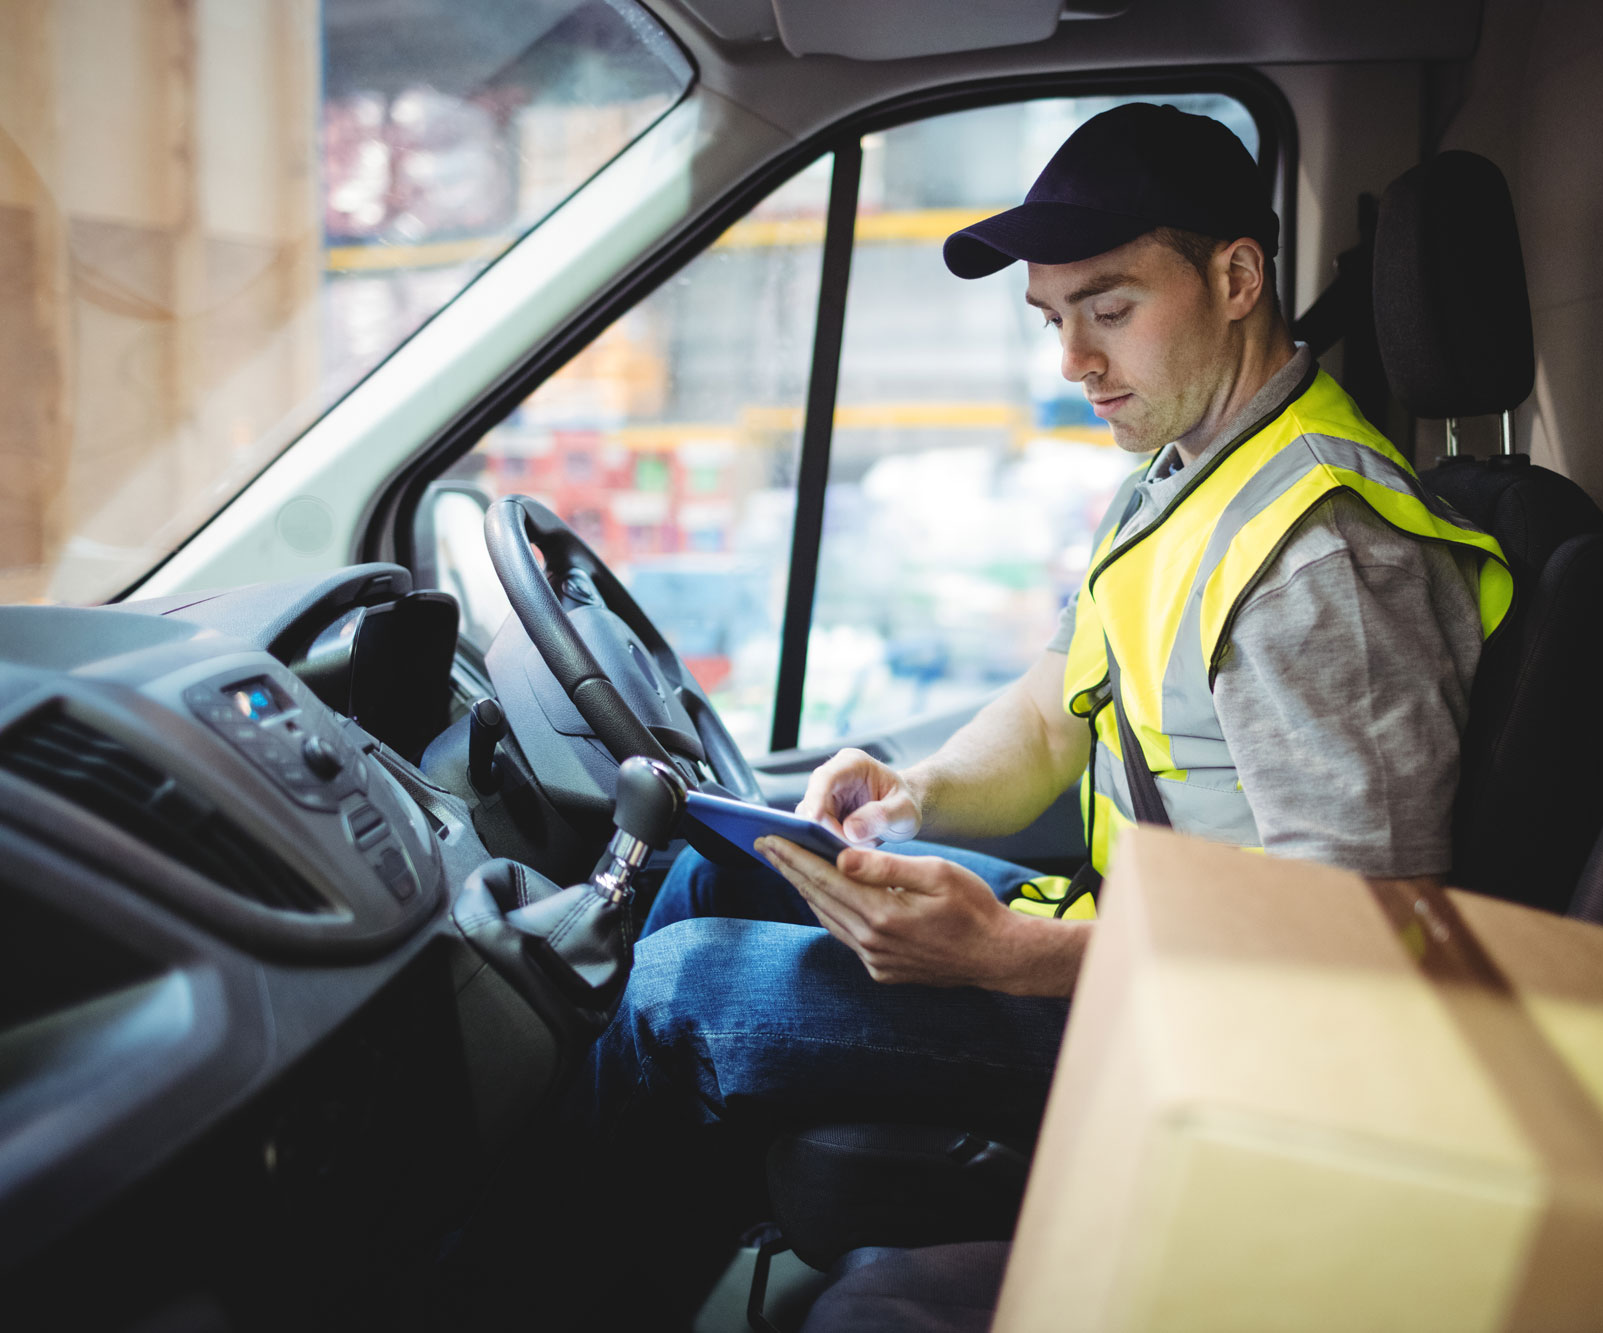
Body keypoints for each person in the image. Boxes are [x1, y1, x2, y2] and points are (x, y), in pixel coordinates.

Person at [584, 100, 1510, 1190]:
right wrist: (911, 793)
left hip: (1229, 1048)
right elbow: (1048, 707)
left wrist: (1006, 957)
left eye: (1108, 310)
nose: (1073, 358)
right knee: (717, 877)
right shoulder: (1185, 477)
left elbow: (1363, 939)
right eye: (1050, 319)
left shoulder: (1321, 560)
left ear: (1235, 280)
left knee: (679, 989)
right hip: (1134, 946)